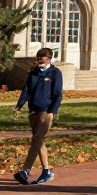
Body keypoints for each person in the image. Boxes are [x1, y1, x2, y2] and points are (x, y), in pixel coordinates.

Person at [13, 47, 63, 185]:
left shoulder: (55, 73)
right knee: (38, 141)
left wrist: (52, 111)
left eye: (42, 58)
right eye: (38, 57)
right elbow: (26, 91)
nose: (39, 60)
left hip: (45, 111)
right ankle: (46, 172)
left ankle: (25, 171)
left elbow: (58, 94)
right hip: (33, 111)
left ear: (49, 58)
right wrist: (19, 106)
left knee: (37, 139)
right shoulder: (33, 72)